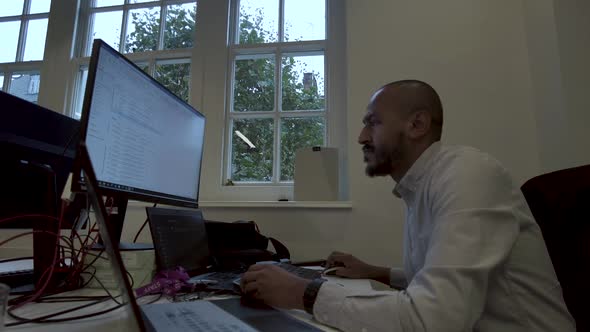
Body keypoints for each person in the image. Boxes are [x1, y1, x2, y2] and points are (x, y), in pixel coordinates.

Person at [240, 80, 575, 331]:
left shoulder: (467, 174)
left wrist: (305, 293)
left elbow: (432, 320)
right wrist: (380, 273)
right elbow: (449, 276)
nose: (360, 136)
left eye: (372, 121)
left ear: (417, 125)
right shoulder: (424, 184)